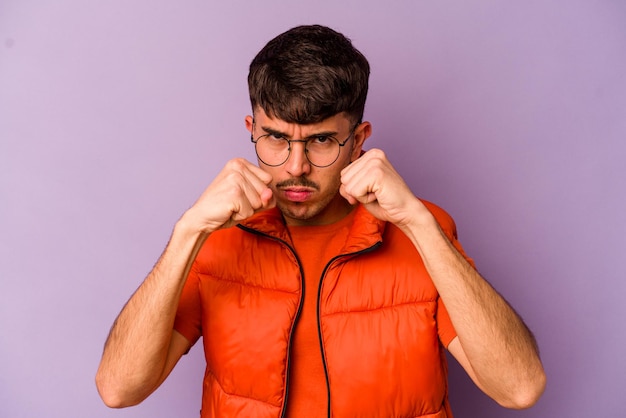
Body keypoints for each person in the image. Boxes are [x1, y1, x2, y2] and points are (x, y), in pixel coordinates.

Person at [96, 24, 546, 418]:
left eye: (321, 141)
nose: (295, 166)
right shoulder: (216, 237)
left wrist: (419, 223)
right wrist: (188, 232)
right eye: (275, 139)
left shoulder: (423, 230)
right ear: (252, 128)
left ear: (358, 140)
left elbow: (519, 389)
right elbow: (119, 390)